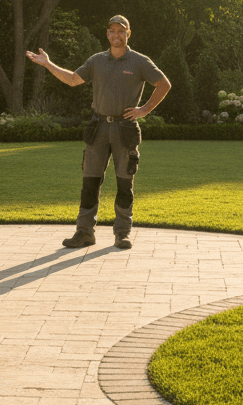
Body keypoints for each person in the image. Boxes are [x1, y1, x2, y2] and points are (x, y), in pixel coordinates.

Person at [26, 15, 171, 249]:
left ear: (128, 34)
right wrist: (47, 64)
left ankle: (122, 234)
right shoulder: (96, 61)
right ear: (107, 34)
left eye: (121, 31)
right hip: (98, 128)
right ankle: (84, 233)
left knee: (125, 182)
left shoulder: (139, 61)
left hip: (125, 129)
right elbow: (73, 79)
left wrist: (144, 110)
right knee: (90, 182)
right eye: (112, 31)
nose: (116, 35)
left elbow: (164, 84)